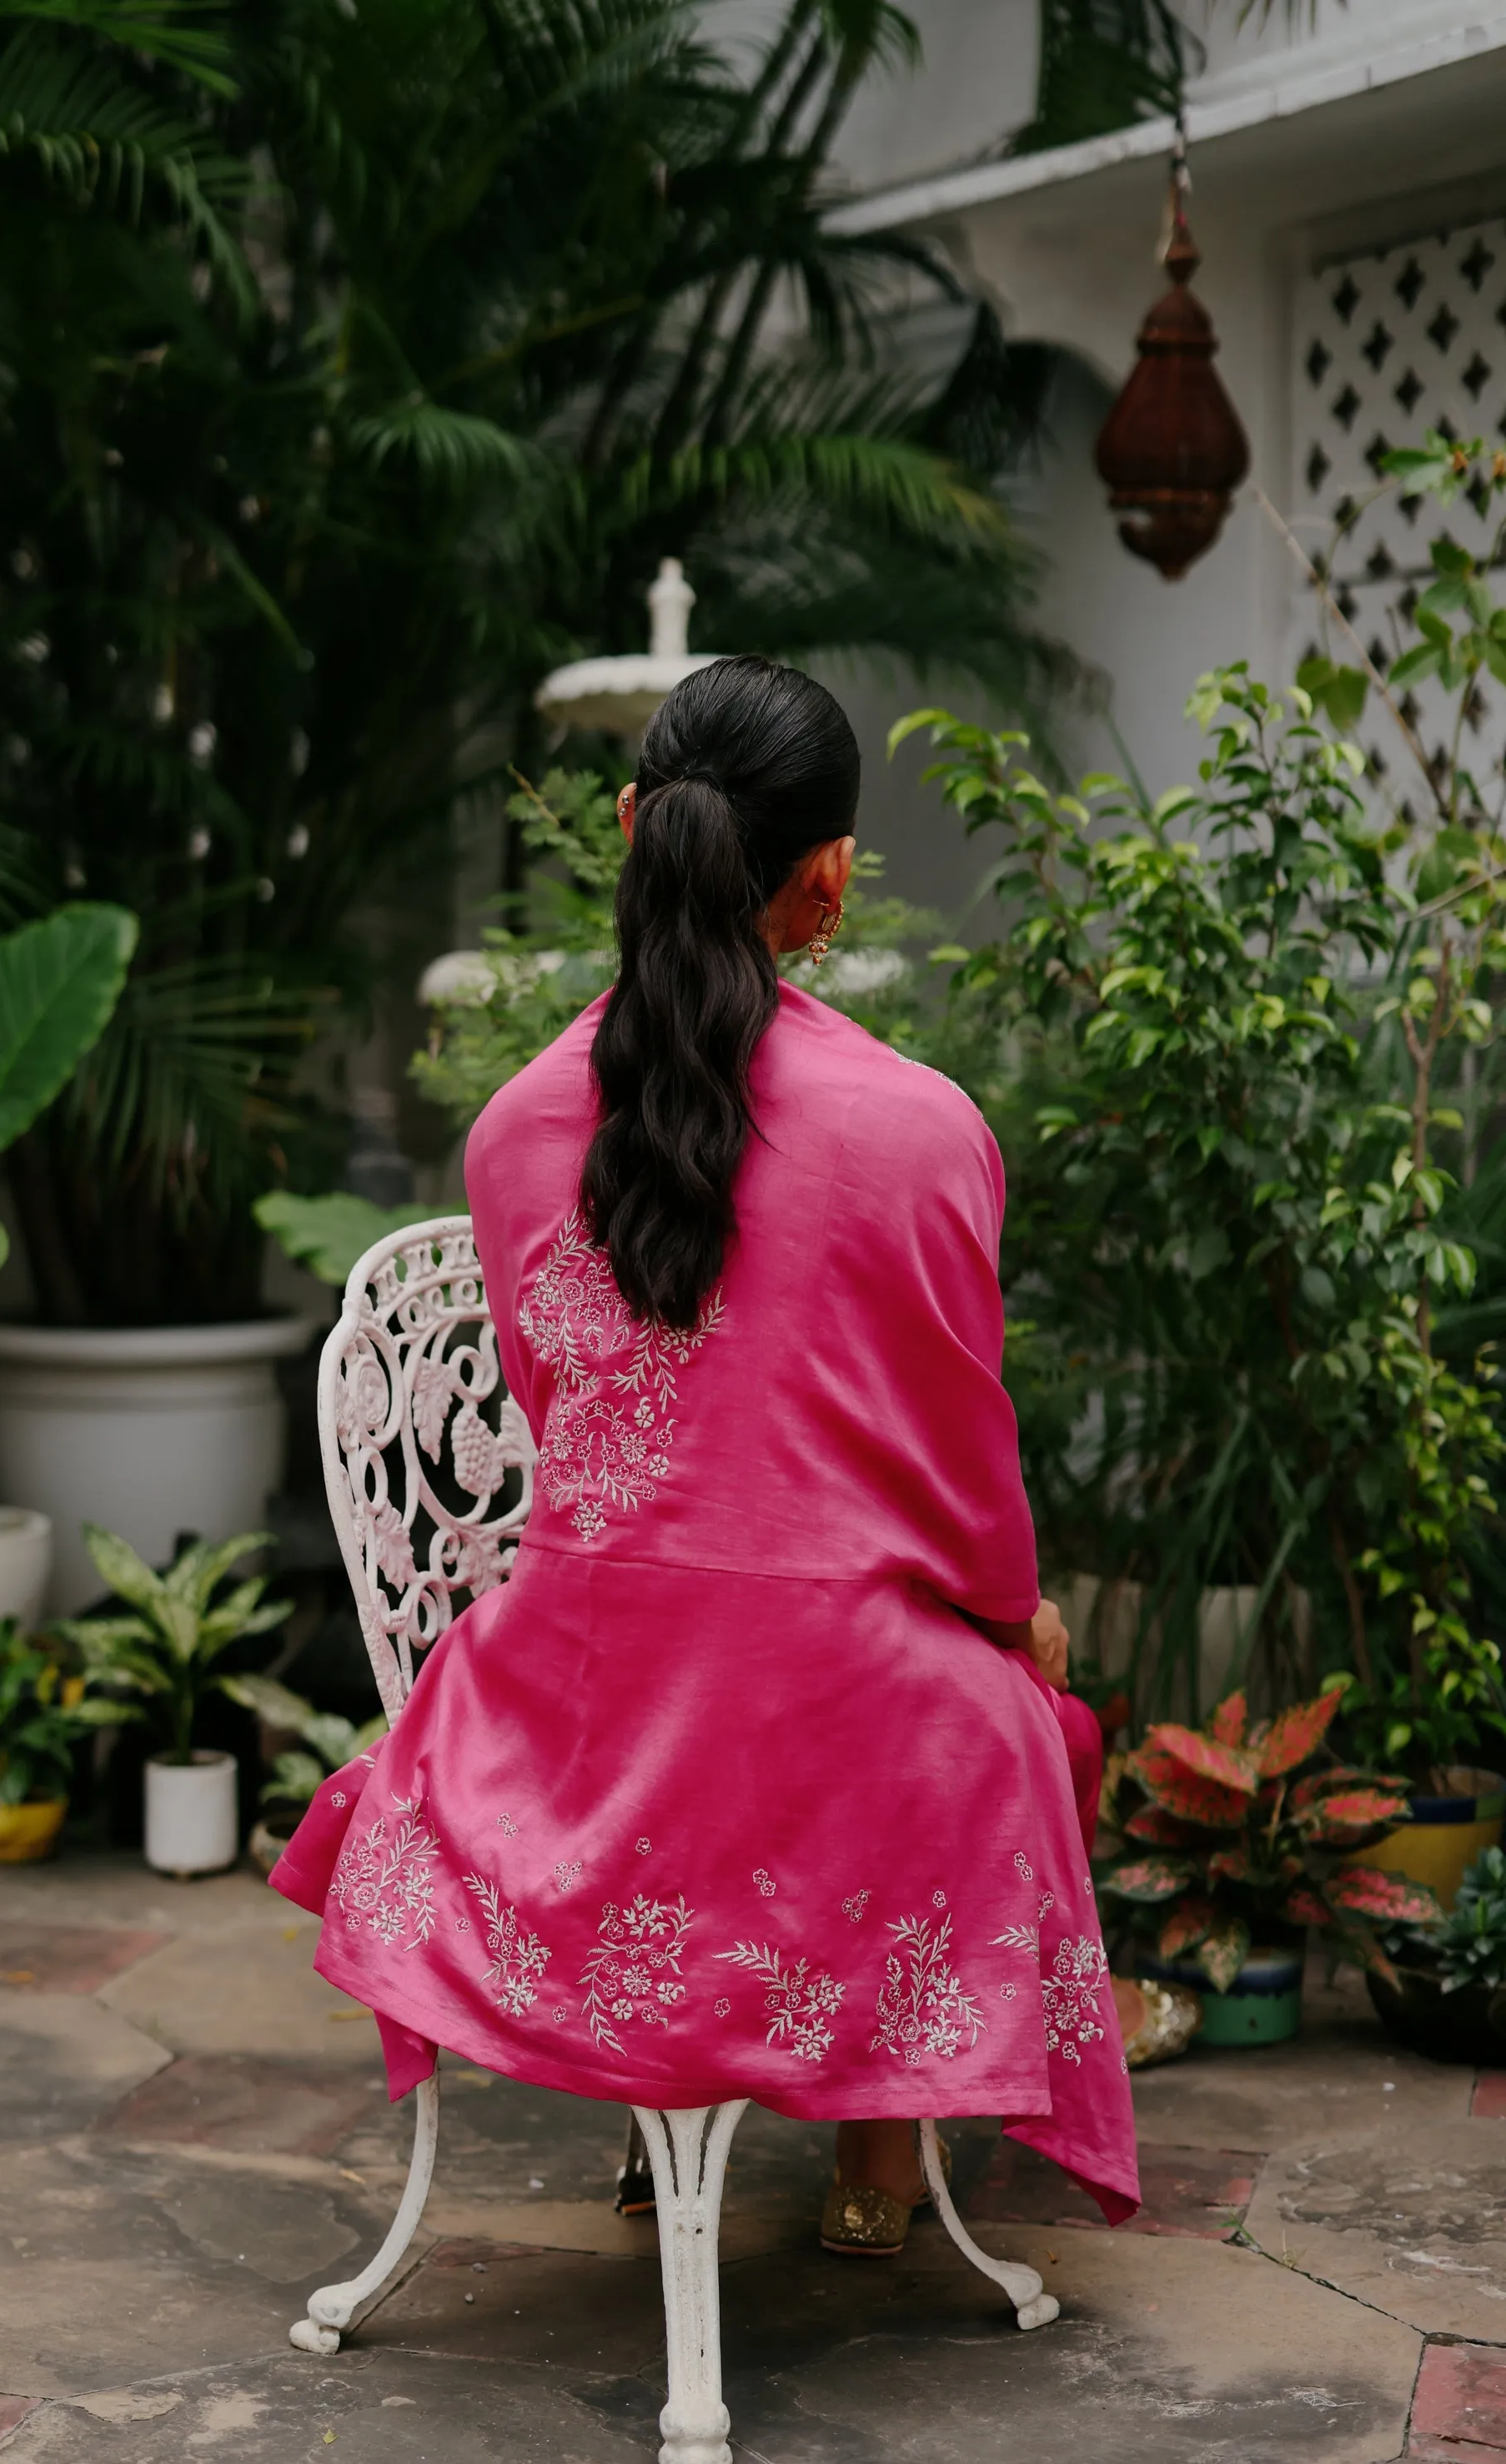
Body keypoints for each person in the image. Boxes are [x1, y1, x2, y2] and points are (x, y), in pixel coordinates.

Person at [273, 656, 1140, 2248]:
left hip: (572, 1715)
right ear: (828, 881)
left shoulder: (517, 1126)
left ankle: (648, 2081)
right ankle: (881, 2177)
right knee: (1023, 1717)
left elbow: (567, 1431)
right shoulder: (921, 1131)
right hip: (837, 1715)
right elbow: (957, 1468)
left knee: (671, 1682)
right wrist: (1009, 1616)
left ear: (629, 825)